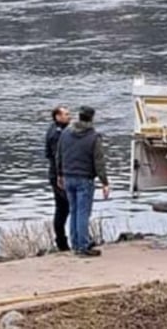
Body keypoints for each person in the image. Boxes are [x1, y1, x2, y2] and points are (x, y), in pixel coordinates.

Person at [56, 105, 110, 257]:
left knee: (73, 211)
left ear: (79, 116)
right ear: (92, 118)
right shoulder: (93, 136)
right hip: (84, 178)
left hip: (67, 176)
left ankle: (75, 244)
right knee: (83, 213)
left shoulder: (66, 133)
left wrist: (60, 175)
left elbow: (59, 155)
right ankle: (83, 246)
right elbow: (99, 162)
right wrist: (104, 182)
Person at [44, 105, 72, 252]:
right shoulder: (57, 134)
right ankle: (63, 241)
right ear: (57, 116)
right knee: (65, 207)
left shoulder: (56, 130)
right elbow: (56, 156)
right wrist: (61, 174)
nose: (69, 116)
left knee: (62, 208)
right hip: (59, 175)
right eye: (66, 114)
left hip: (57, 174)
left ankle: (63, 241)